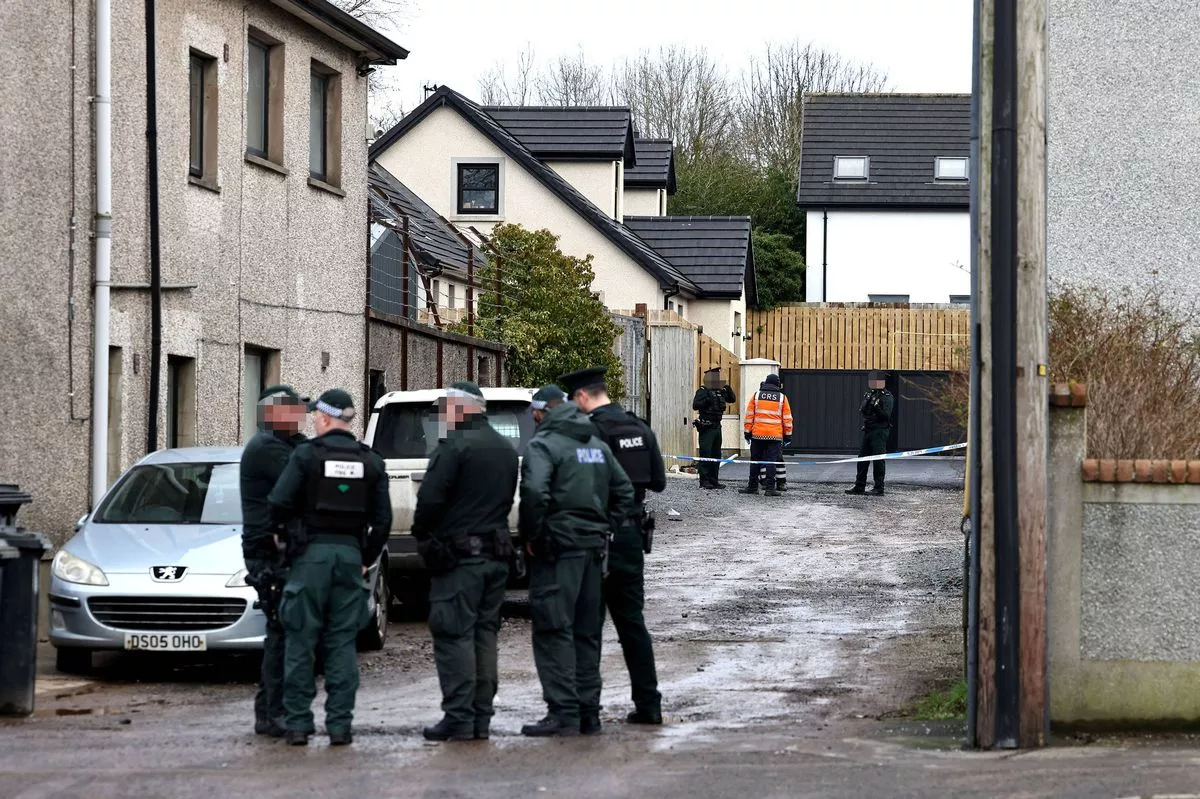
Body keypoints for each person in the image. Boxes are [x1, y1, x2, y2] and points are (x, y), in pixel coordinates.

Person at [268, 389, 392, 747]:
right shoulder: (370, 462)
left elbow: (277, 503)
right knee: (341, 643)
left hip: (310, 559)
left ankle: (298, 724)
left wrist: (282, 539)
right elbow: (382, 521)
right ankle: (340, 726)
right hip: (351, 557)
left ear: (322, 418)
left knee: (301, 641)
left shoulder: (306, 455)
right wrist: (365, 556)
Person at [519, 383, 635, 737]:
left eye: (535, 413)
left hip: (558, 550)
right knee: (587, 633)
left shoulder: (544, 445)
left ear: (541, 412)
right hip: (593, 551)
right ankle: (589, 712)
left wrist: (533, 536)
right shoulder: (596, 445)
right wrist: (604, 526)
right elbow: (625, 492)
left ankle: (563, 713)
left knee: (554, 629)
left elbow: (535, 493)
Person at [413, 381, 519, 743]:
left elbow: (429, 501)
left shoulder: (453, 447)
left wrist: (423, 534)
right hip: (496, 555)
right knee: (484, 634)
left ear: (461, 409)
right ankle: (481, 717)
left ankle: (459, 717)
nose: (442, 414)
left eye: (445, 407)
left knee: (454, 632)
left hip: (460, 560)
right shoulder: (505, 448)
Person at [563, 367, 666, 727]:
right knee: (632, 624)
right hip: (631, 538)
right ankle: (649, 706)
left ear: (581, 397)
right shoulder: (639, 427)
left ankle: (586, 713)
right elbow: (659, 482)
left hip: (595, 537)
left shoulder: (589, 432)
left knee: (587, 625)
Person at [240, 385, 308, 738]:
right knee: (280, 632)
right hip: (268, 554)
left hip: (278, 551)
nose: (302, 417)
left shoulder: (284, 444)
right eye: (294, 411)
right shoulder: (267, 448)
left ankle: (274, 709)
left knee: (283, 631)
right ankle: (270, 713)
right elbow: (305, 480)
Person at [740, 373, 793, 497]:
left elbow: (749, 416)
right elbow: (787, 419)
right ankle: (770, 488)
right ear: (777, 384)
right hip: (774, 437)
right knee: (771, 462)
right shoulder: (782, 398)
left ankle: (752, 486)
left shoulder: (757, 395)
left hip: (757, 435)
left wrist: (747, 433)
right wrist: (787, 436)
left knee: (755, 461)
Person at [846, 371, 895, 496]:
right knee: (862, 458)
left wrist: (877, 408)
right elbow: (863, 410)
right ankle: (859, 486)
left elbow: (886, 416)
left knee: (878, 460)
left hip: (880, 431)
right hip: (868, 429)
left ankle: (879, 488)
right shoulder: (870, 394)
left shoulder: (887, 396)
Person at [692, 367, 736, 490]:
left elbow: (732, 399)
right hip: (707, 427)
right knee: (706, 453)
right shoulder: (703, 391)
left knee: (716, 454)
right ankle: (704, 481)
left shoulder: (721, 390)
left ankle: (714, 480)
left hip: (717, 426)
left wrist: (727, 388)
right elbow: (695, 405)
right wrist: (707, 400)